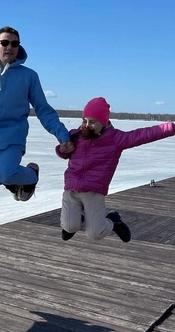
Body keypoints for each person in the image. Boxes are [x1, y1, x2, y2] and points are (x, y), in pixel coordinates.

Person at [0, 26, 71, 201]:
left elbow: (43, 109)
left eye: (14, 44)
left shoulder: (29, 76)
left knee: (5, 173)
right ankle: (16, 181)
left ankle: (30, 174)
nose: (9, 47)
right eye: (5, 42)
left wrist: (61, 134)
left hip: (12, 139)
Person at [56, 97, 175, 243]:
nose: (87, 125)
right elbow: (64, 152)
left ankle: (113, 221)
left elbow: (144, 134)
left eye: (92, 122)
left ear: (104, 122)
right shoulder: (76, 135)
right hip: (72, 188)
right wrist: (61, 149)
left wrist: (171, 128)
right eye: (84, 121)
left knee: (95, 234)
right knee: (69, 226)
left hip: (93, 191)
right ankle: (77, 220)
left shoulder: (115, 139)